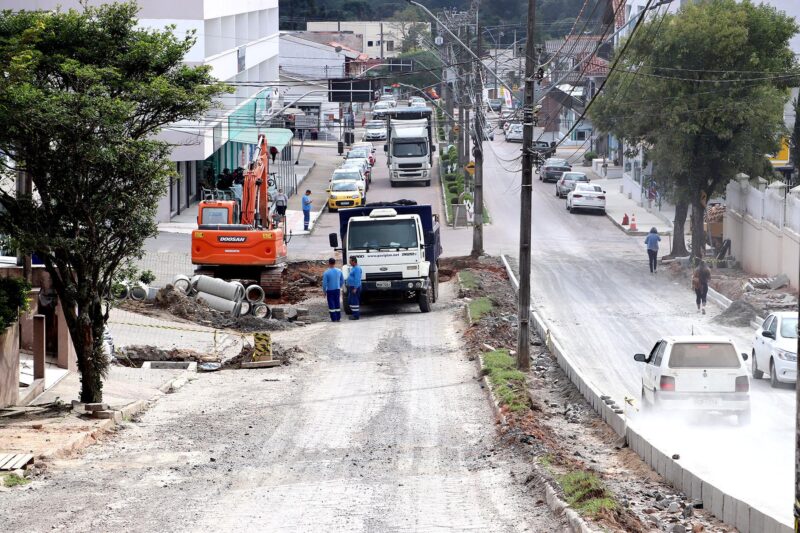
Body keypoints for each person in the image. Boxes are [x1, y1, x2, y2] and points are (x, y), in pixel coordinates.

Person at [322, 257, 345, 322]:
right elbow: (342, 280)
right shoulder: (339, 271)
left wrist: (324, 291)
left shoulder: (326, 272)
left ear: (329, 263)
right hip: (337, 289)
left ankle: (334, 318)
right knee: (337, 302)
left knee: (331, 303)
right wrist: (339, 286)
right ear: (335, 263)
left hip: (330, 290)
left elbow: (324, 284)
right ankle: (338, 318)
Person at [346, 256, 363, 320]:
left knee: (354, 301)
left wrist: (355, 288)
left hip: (355, 287)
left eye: (350, 261)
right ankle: (354, 314)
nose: (349, 262)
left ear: (353, 261)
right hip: (351, 287)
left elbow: (357, 279)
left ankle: (356, 316)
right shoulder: (353, 268)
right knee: (350, 300)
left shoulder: (357, 269)